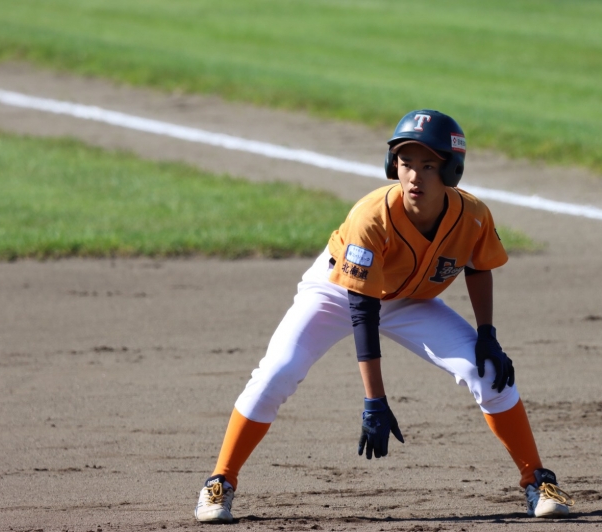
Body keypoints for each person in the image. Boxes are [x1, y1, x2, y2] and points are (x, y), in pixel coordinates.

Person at [194, 110, 574, 522]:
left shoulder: (473, 215)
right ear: (393, 165)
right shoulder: (371, 216)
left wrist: (487, 334)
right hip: (337, 292)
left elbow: (478, 267)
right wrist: (374, 399)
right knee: (277, 372)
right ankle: (220, 482)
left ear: (452, 170)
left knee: (488, 372)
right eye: (406, 163)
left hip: (410, 300)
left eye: (428, 166)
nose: (414, 176)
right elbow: (363, 310)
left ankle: (537, 481)